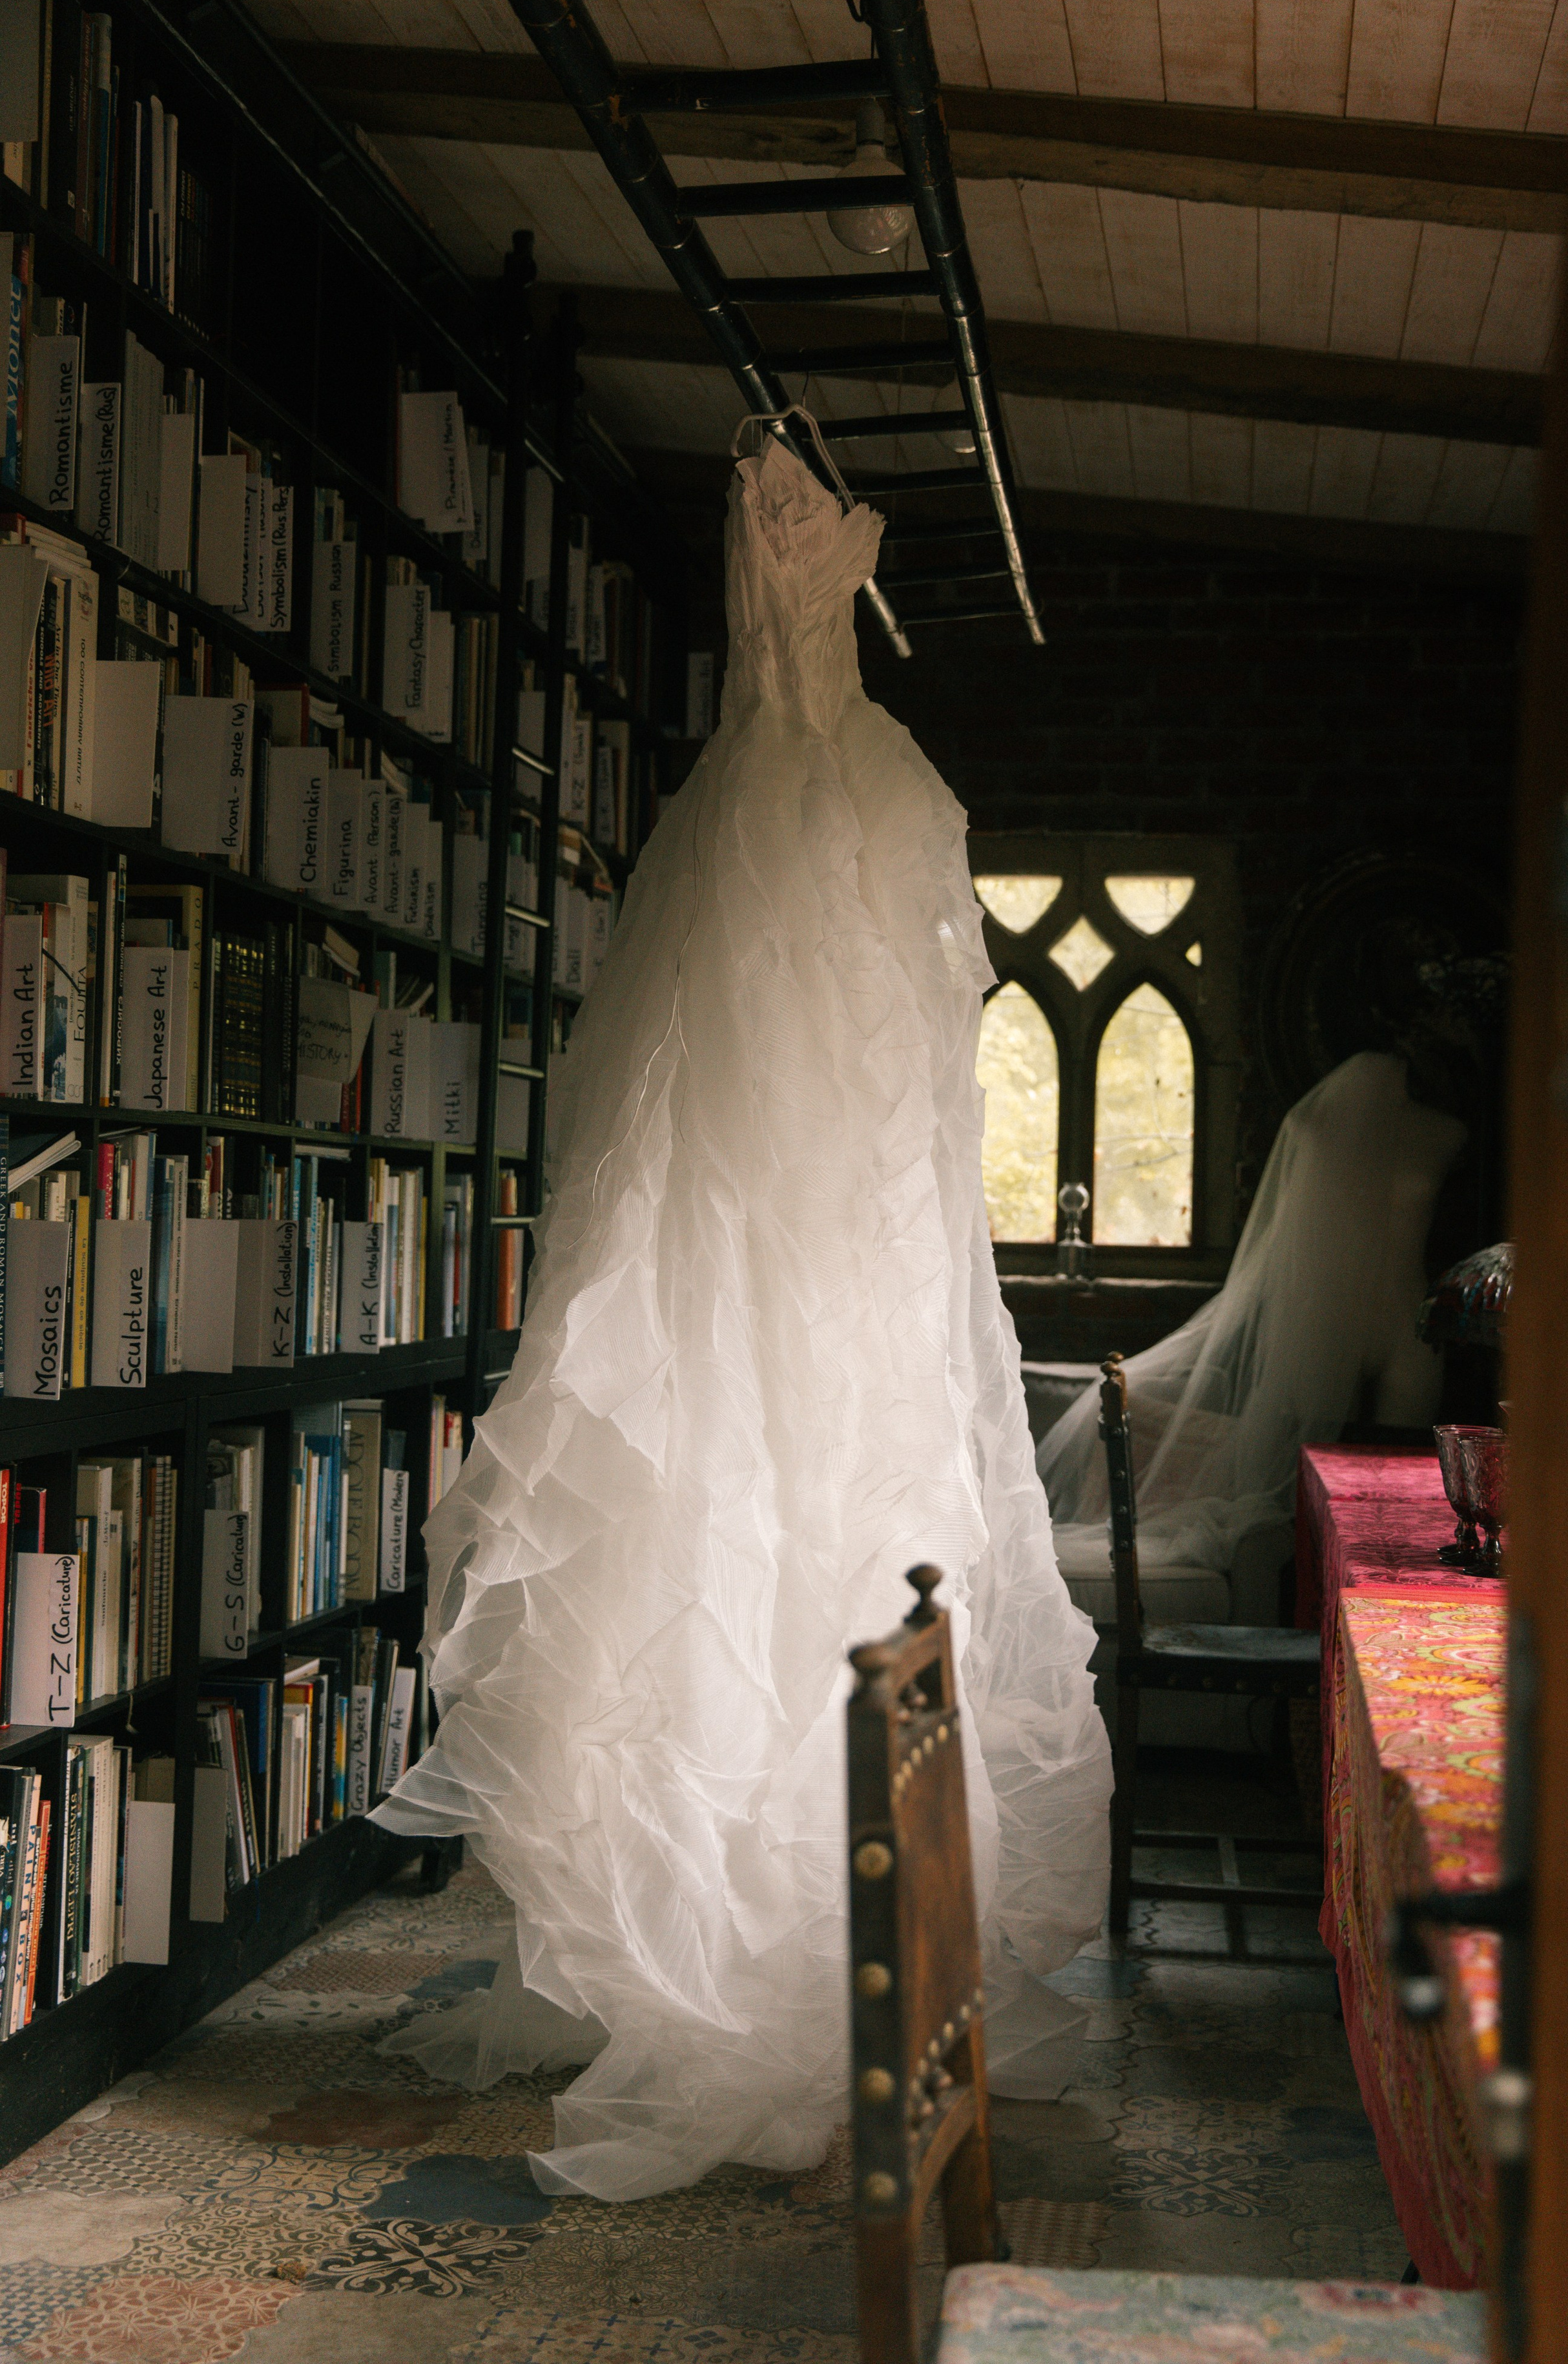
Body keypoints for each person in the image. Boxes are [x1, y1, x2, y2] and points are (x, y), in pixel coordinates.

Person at [369, 423, 1111, 2202]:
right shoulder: (839, 758)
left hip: (805, 892)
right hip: (770, 907)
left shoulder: (871, 784)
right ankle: (731, 1957)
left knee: (830, 1418)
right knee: (720, 1301)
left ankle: (814, 1948)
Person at [1037, 1049, 1468, 1576]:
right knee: (1302, 1484)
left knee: (1404, 1485)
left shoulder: (1447, 1133)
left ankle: (1399, 1593)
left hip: (1407, 1325)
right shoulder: (1311, 1127)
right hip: (1323, 1325)